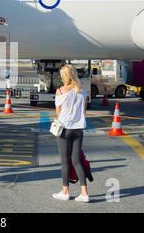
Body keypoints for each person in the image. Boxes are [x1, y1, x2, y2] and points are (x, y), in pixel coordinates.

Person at [52, 64, 90, 203]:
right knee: (77, 160)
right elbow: (84, 111)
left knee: (64, 161)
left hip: (64, 129)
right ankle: (84, 193)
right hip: (78, 129)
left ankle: (65, 191)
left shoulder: (60, 91)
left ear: (64, 76)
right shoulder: (83, 91)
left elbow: (58, 112)